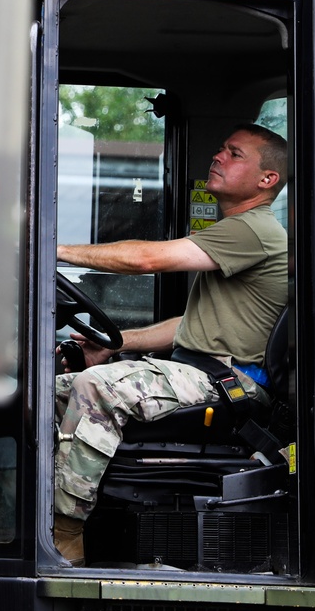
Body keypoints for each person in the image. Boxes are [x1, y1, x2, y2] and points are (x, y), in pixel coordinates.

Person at [53, 123, 288, 566]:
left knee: (98, 388)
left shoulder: (254, 230)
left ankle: (65, 535)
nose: (217, 157)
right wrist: (115, 344)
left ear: (266, 180)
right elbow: (190, 324)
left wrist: (54, 249)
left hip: (233, 384)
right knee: (49, 391)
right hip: (201, 372)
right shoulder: (236, 231)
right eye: (220, 148)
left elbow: (145, 259)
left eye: (234, 153)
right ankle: (42, 512)